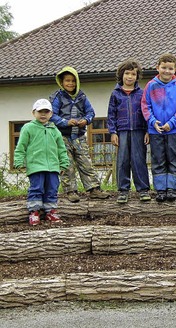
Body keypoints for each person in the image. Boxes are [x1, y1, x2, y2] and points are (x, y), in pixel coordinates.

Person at [50, 66, 109, 203]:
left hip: (79, 136)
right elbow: (52, 115)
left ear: (77, 81)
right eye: (67, 81)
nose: (70, 84)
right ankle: (70, 191)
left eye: (73, 81)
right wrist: (65, 122)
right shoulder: (57, 97)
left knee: (86, 162)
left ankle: (94, 189)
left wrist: (86, 120)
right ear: (61, 82)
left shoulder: (82, 97)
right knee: (66, 164)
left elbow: (91, 113)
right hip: (62, 137)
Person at [14, 99, 70, 225]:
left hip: (53, 167)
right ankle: (34, 212)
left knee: (52, 189)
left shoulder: (54, 130)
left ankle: (51, 211)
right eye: (40, 111)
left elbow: (61, 149)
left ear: (51, 114)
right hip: (36, 166)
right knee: (37, 188)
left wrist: (63, 163)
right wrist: (18, 161)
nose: (43, 114)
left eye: (46, 111)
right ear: (34, 113)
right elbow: (21, 146)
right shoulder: (28, 128)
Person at [141, 53, 176, 202]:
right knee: (158, 159)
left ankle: (172, 188)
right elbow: (145, 106)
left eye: (170, 68)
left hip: (174, 130)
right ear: (157, 67)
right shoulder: (150, 85)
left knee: (174, 158)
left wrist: (172, 123)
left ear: (175, 70)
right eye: (164, 68)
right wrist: (152, 121)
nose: (167, 71)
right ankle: (160, 189)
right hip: (156, 130)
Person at [107, 58, 151, 204]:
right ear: (121, 75)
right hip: (122, 132)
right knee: (123, 161)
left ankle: (143, 190)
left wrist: (148, 131)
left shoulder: (142, 93)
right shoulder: (115, 94)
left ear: (137, 76)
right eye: (127, 73)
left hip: (139, 131)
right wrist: (113, 132)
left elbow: (147, 113)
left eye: (133, 74)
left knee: (139, 160)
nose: (130, 77)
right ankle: (123, 191)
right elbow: (111, 115)